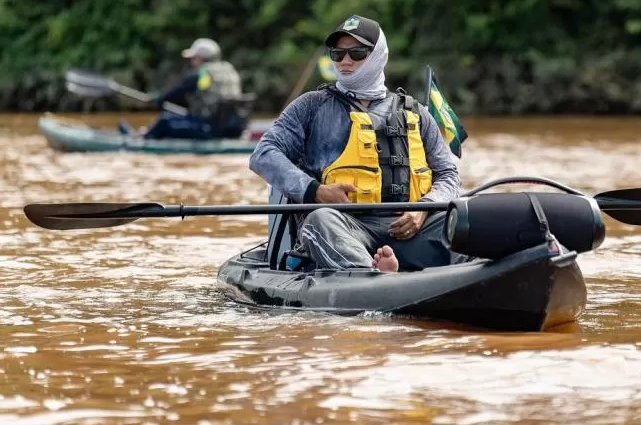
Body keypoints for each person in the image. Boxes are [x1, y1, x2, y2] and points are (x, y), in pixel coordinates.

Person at [248, 14, 462, 272]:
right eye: (337, 54)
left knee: (462, 219)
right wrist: (316, 191)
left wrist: (425, 209)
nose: (345, 61)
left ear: (378, 55)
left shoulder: (416, 113)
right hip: (345, 227)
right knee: (319, 220)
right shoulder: (310, 106)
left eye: (357, 53)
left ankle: (457, 272)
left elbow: (448, 174)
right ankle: (373, 274)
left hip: (412, 227)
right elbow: (263, 155)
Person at [119, 37, 250, 140]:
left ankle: (140, 139)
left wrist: (158, 99)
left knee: (165, 120)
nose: (192, 62)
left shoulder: (203, 74)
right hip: (231, 128)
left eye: (194, 58)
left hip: (209, 128)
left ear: (201, 58)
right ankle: (144, 133)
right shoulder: (228, 69)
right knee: (179, 117)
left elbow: (177, 91)